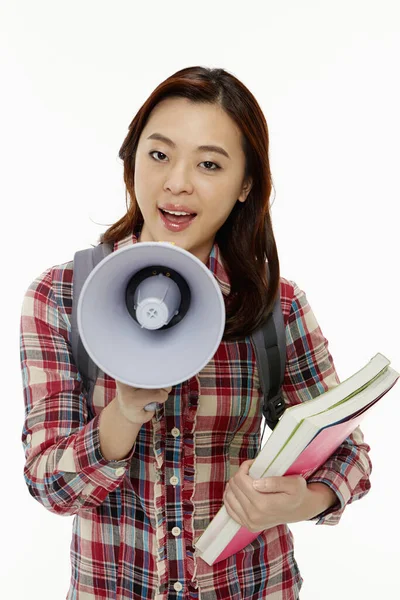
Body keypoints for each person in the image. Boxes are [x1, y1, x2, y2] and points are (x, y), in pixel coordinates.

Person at [20, 66, 372, 600]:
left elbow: (348, 454)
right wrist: (121, 414)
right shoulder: (62, 298)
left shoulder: (277, 307)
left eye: (209, 164)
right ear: (131, 158)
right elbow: (49, 484)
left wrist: (300, 500)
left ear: (245, 185)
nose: (177, 182)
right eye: (159, 154)